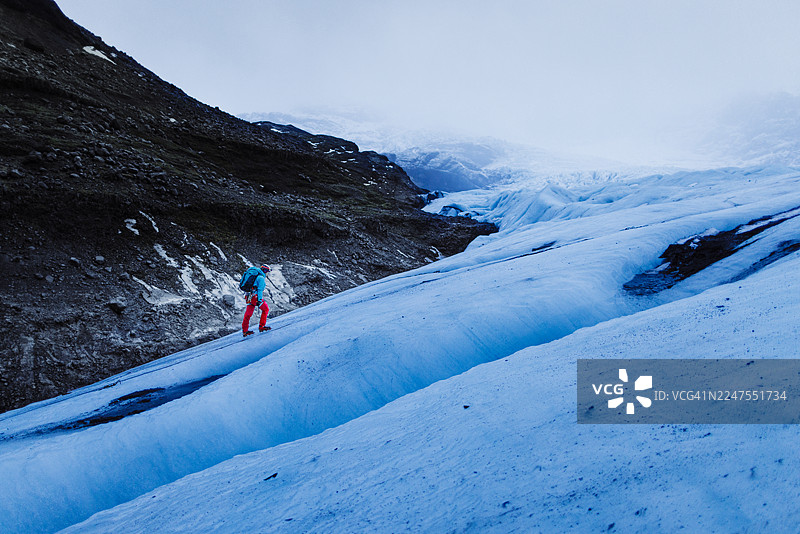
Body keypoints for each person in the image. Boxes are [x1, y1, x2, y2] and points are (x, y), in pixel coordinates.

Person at [242, 264, 271, 336]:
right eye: (267, 271)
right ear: (265, 271)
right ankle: (262, 326)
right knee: (265, 309)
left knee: (248, 314)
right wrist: (259, 300)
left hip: (248, 296)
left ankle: (245, 331)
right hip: (255, 297)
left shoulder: (253, 275)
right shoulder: (261, 278)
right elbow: (260, 290)